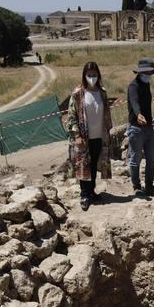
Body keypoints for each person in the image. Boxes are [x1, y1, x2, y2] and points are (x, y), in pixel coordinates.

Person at [67, 61, 113, 211]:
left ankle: (91, 192)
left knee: (93, 165)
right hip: (83, 137)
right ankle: (84, 195)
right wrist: (76, 135)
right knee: (83, 166)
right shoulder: (78, 93)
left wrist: (108, 130)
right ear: (84, 75)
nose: (91, 77)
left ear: (98, 75)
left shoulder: (102, 92)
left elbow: (106, 113)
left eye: (94, 75)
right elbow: (71, 115)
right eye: (89, 75)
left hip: (98, 136)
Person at [127, 58, 154, 197]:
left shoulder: (146, 85)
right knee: (136, 158)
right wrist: (138, 114)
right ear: (140, 72)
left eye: (150, 73)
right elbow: (134, 102)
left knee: (151, 158)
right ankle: (136, 186)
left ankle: (149, 185)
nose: (148, 75)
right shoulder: (133, 86)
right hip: (136, 127)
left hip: (149, 128)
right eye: (146, 73)